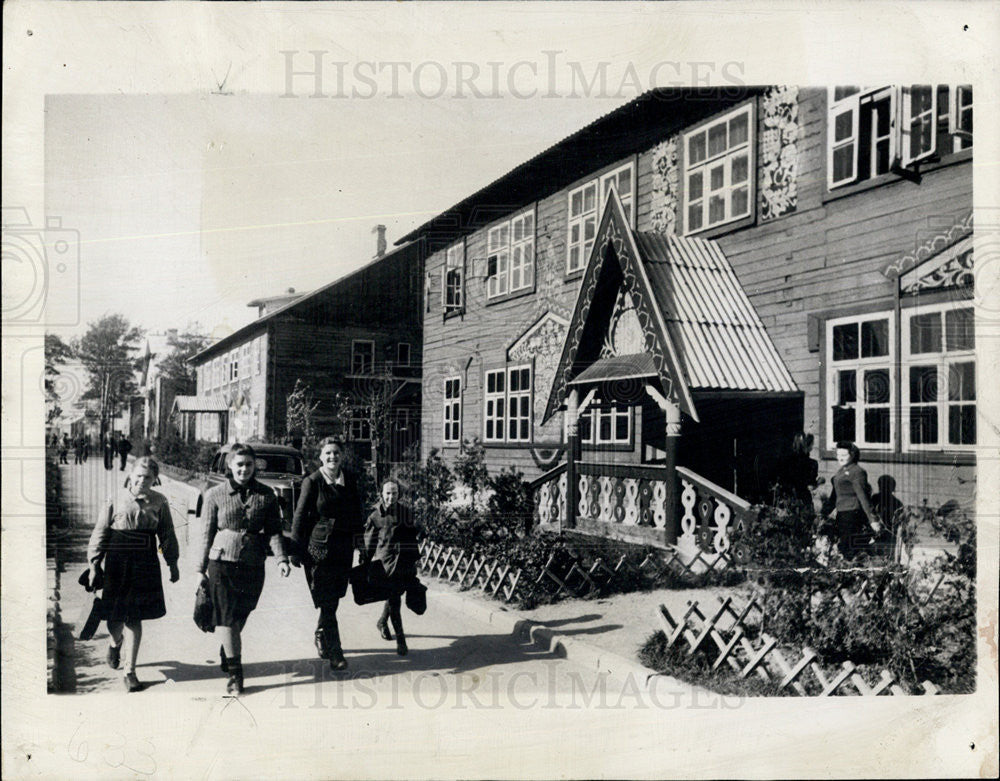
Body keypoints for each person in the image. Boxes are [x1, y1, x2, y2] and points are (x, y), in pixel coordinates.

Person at [196, 443, 290, 694]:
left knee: (240, 615)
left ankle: (228, 646)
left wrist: (281, 559)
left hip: (252, 563)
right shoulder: (214, 494)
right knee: (226, 617)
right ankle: (236, 675)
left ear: (254, 466)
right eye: (239, 464)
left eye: (249, 464)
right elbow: (205, 534)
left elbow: (274, 532)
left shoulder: (267, 495)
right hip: (221, 562)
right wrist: (199, 569)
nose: (244, 469)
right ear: (229, 465)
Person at [86, 457, 180, 692]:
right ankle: (115, 642)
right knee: (114, 618)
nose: (142, 481)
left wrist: (172, 563)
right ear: (130, 475)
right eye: (138, 475)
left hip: (145, 562)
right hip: (117, 560)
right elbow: (101, 531)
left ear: (154, 479)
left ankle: (130, 671)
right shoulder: (115, 498)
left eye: (147, 477)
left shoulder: (160, 501)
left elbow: (167, 534)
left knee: (134, 617)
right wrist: (94, 564)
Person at [290, 437, 364, 671]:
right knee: (327, 600)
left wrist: (361, 546)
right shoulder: (312, 482)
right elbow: (300, 516)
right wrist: (294, 549)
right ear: (321, 457)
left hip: (342, 551)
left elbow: (357, 515)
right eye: (328, 453)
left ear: (342, 456)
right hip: (318, 551)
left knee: (332, 601)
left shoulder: (349, 480)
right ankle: (336, 651)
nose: (333, 457)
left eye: (336, 453)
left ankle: (321, 633)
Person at [363, 480, 422, 657]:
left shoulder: (406, 513)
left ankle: (382, 621)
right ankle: (401, 641)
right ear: (382, 493)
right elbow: (369, 543)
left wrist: (414, 560)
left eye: (394, 493)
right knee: (395, 601)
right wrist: (365, 563)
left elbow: (412, 539)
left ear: (399, 494)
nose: (391, 497)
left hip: (403, 563)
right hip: (385, 565)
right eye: (388, 493)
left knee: (395, 596)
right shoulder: (375, 516)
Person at [820, 441, 882, 559]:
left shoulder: (857, 472)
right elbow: (835, 495)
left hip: (852, 514)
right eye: (838, 455)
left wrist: (872, 519)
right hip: (842, 515)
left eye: (844, 455)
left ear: (852, 455)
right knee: (843, 547)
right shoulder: (842, 471)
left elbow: (863, 497)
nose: (840, 458)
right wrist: (824, 513)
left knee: (849, 549)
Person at [776, 432, 820, 506]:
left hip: (786, 500)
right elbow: (811, 486)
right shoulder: (812, 464)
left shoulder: (785, 460)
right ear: (808, 446)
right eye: (812, 444)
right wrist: (819, 481)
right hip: (803, 500)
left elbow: (781, 479)